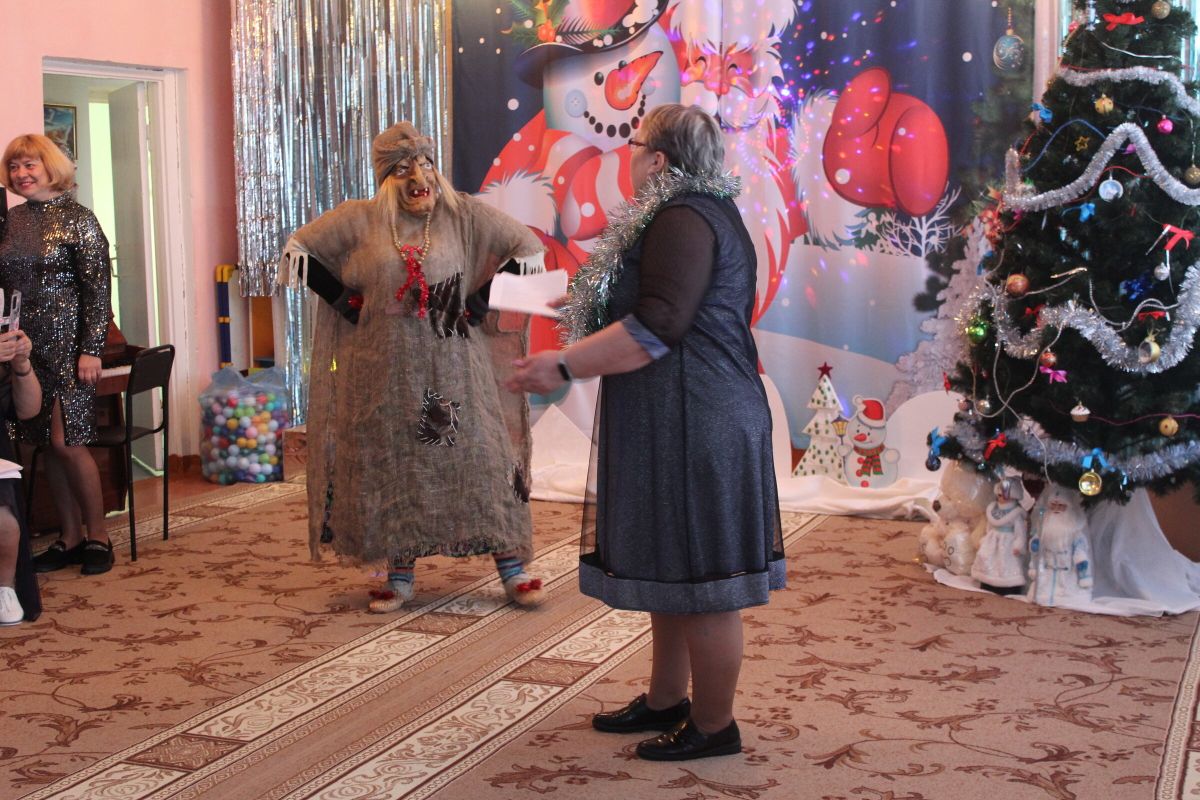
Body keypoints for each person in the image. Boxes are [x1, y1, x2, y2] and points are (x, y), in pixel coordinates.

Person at [506, 103, 785, 761]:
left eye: (635, 146)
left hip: (699, 421)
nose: (627, 157)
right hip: (680, 417)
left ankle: (715, 726)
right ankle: (666, 700)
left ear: (659, 159)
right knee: (675, 568)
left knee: (708, 582)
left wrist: (564, 364)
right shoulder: (690, 213)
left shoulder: (683, 218)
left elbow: (658, 326)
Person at [282, 121, 546, 613]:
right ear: (386, 178)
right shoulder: (360, 220)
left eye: (425, 164)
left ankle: (512, 568)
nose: (418, 177)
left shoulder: (461, 214)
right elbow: (299, 250)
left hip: (454, 371)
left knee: (480, 461)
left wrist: (478, 303)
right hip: (386, 373)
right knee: (398, 466)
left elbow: (527, 247)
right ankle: (400, 574)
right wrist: (344, 301)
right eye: (403, 169)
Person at [0, 134, 113, 576]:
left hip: (69, 350)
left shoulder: (79, 219)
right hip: (25, 350)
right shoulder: (12, 220)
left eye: (30, 165)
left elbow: (98, 291)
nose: (21, 174)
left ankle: (99, 536)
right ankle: (69, 538)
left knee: (68, 444)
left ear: (50, 167)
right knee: (46, 446)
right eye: (14, 167)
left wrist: (91, 350)